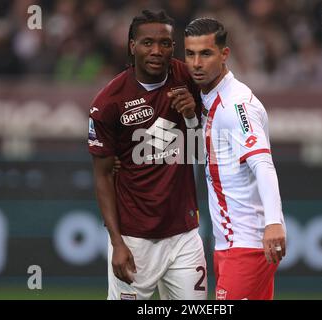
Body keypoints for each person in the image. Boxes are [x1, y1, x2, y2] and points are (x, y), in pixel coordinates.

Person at [88, 10, 207, 300]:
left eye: (164, 43)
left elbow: (202, 150)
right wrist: (116, 242)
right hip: (134, 238)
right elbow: (102, 175)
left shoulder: (187, 77)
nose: (156, 51)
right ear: (132, 46)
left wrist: (193, 116)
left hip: (184, 234)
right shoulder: (108, 102)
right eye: (147, 43)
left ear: (173, 47)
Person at [184, 18, 286, 300]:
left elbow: (262, 163)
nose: (196, 63)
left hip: (248, 245)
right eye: (190, 54)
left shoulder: (236, 105)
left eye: (205, 54)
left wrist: (274, 222)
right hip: (229, 244)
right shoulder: (208, 98)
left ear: (224, 54)